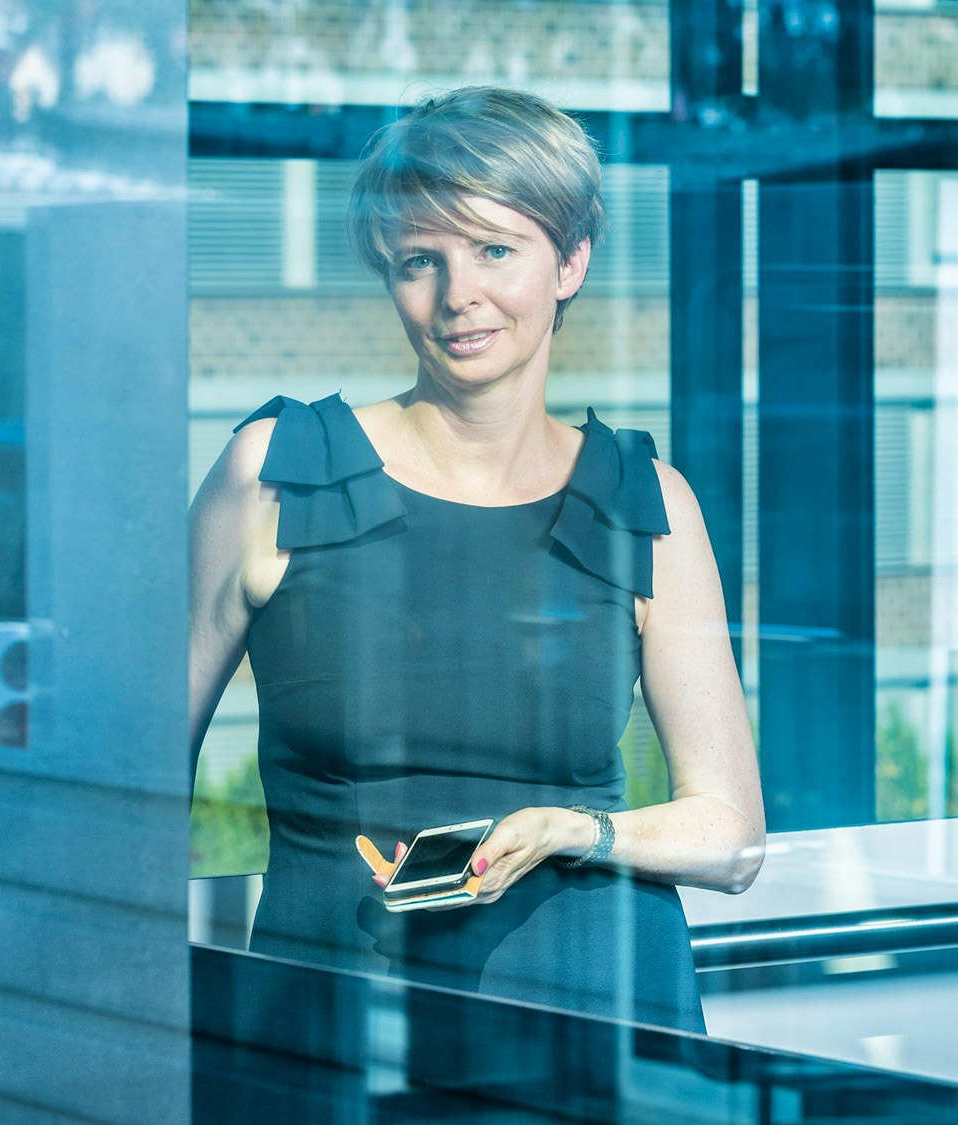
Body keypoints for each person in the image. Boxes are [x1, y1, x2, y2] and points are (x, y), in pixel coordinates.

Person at [186, 86, 763, 1033]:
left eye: (497, 249)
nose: (460, 295)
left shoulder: (648, 502)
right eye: (422, 260)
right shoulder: (278, 474)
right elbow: (127, 780)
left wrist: (577, 831)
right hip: (339, 1027)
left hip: (601, 1025)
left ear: (570, 261)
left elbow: (731, 836)